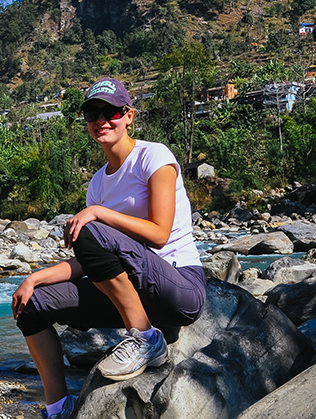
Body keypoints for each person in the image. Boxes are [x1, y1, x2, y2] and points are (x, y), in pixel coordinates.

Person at [11, 77, 206, 419]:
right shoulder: (99, 182)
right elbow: (91, 259)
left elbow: (159, 234)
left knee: (90, 228)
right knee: (33, 305)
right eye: (92, 112)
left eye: (112, 111)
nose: (102, 119)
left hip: (177, 286)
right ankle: (58, 408)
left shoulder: (154, 156)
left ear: (129, 115)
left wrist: (100, 214)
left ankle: (145, 338)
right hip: (127, 292)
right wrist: (36, 278)